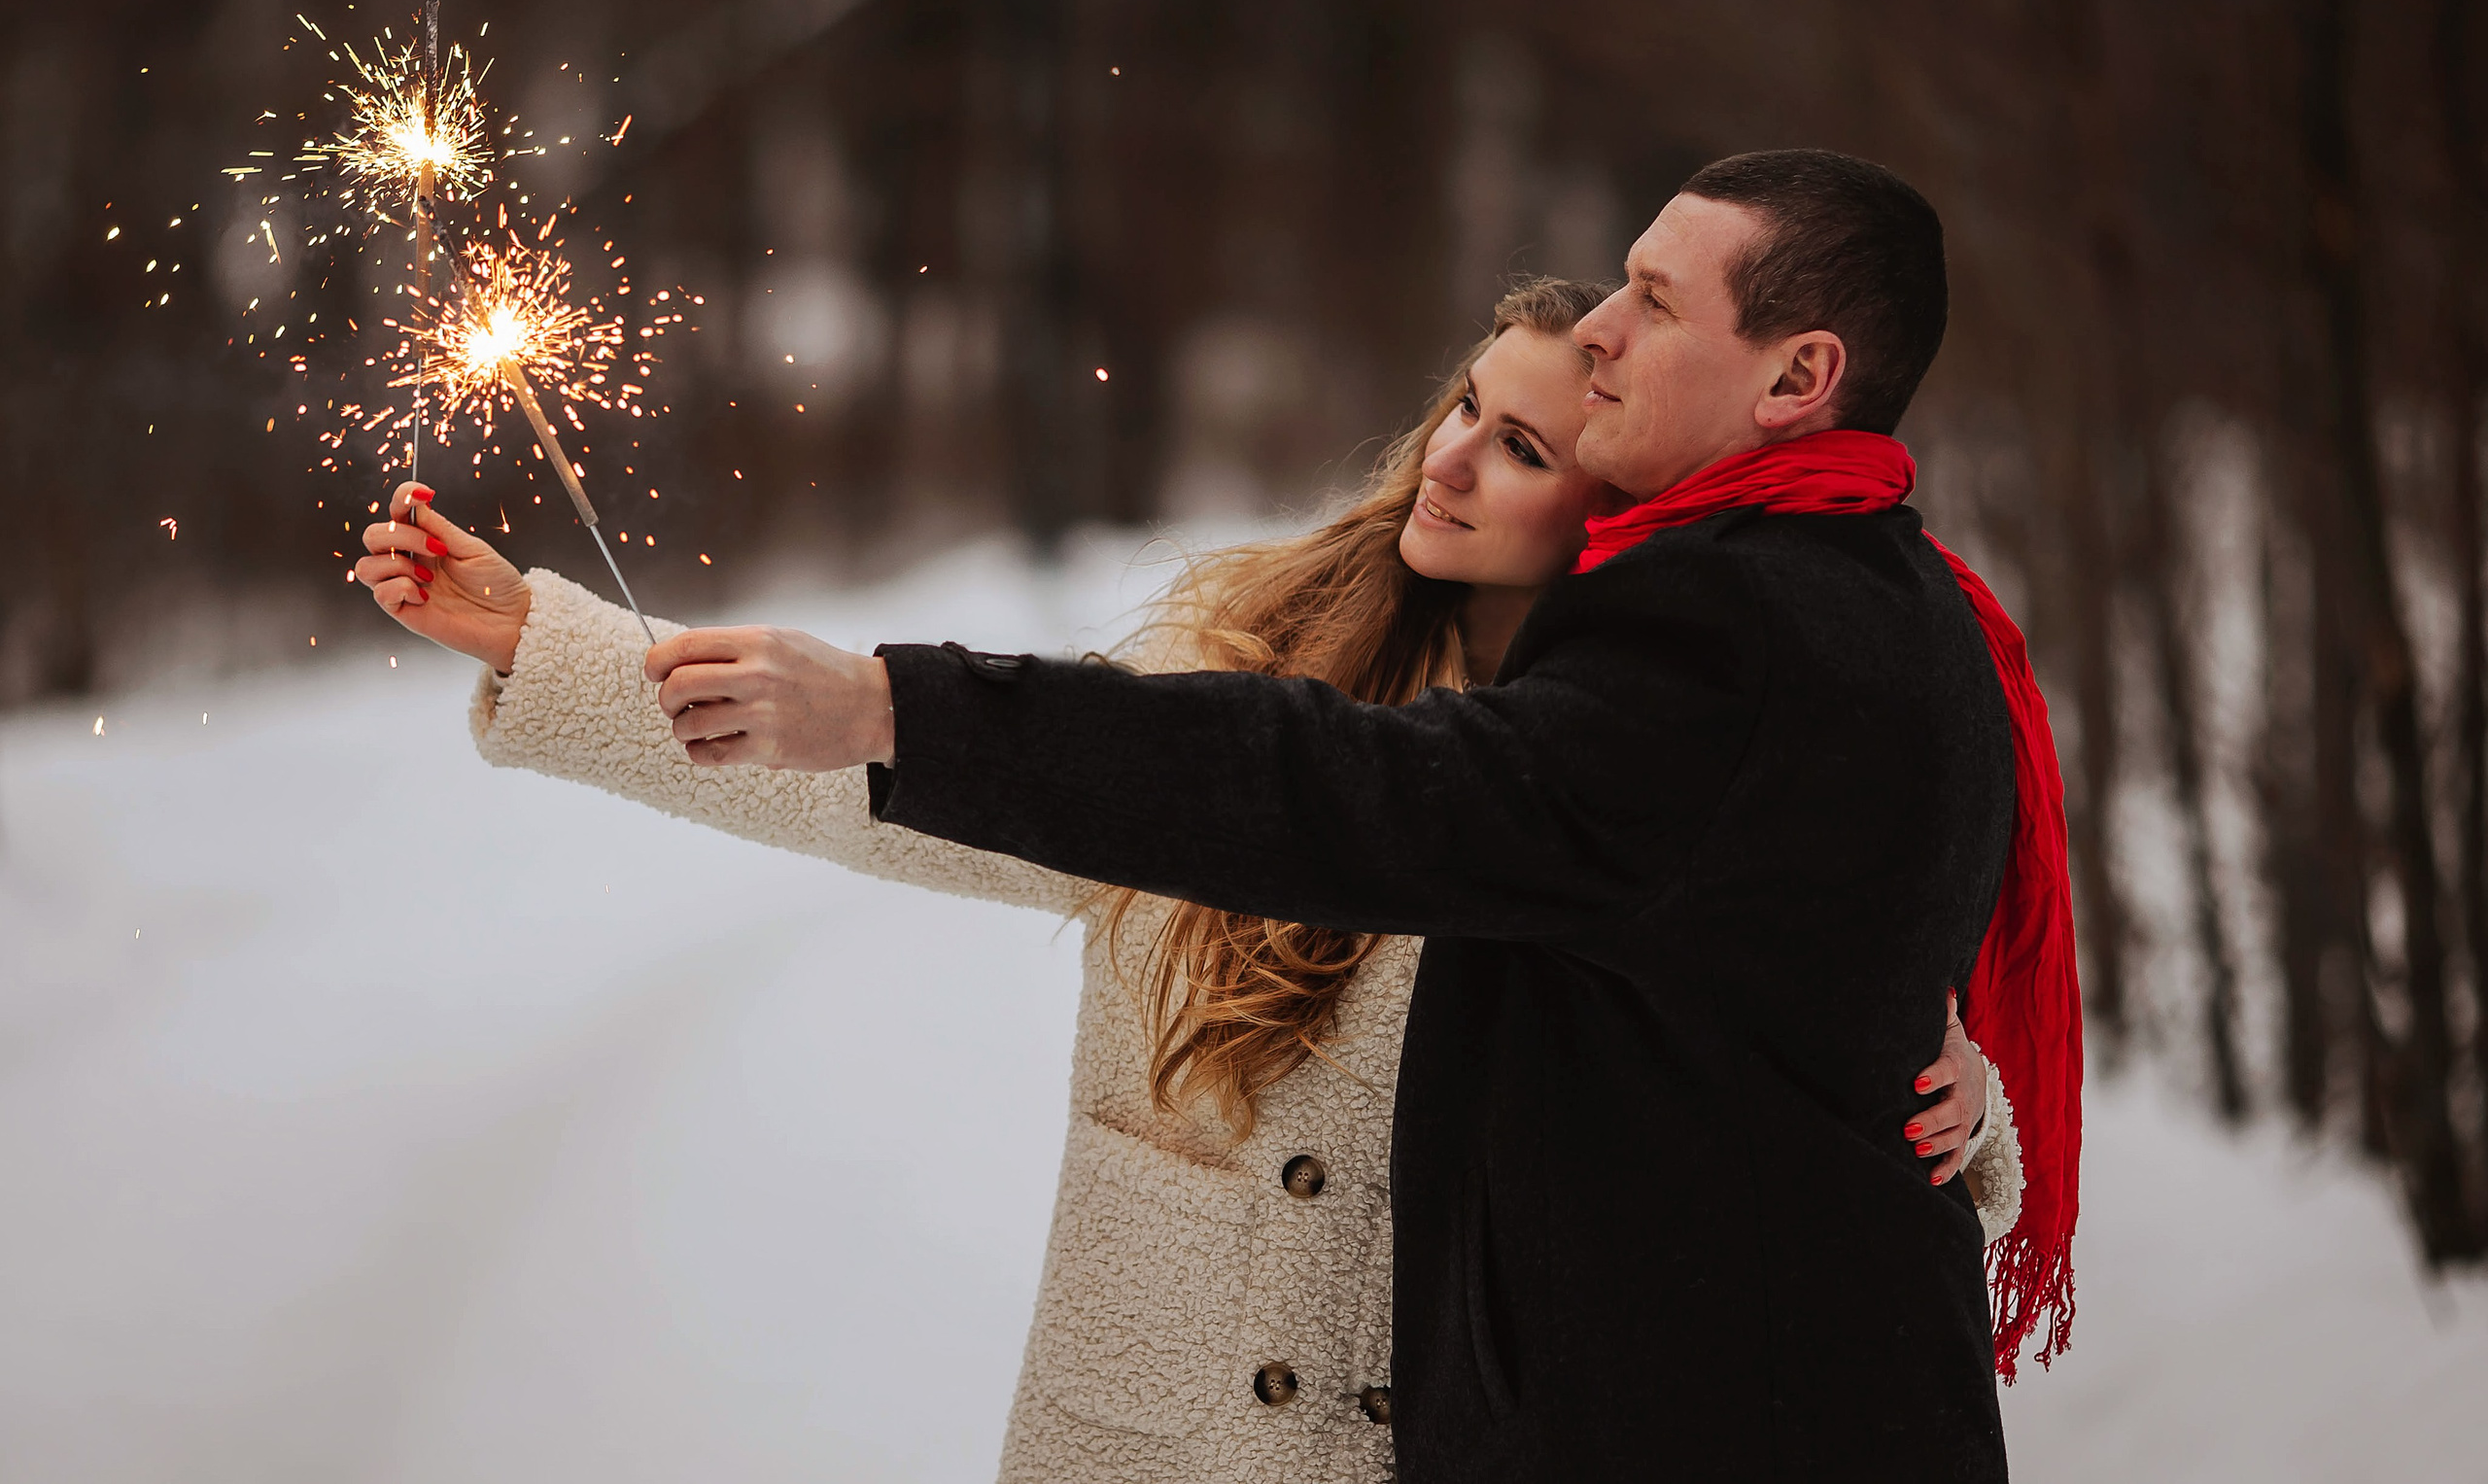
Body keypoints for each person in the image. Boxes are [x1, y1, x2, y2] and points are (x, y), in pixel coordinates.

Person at [358, 273, 2023, 1484]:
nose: (1446, 460)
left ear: (1612, 511)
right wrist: (556, 647)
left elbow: (1770, 1098)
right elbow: (894, 787)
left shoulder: (1658, 789)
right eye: (1464, 403)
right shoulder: (1257, 675)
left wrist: (1965, 1105)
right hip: (1150, 1433)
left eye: (1520, 448)